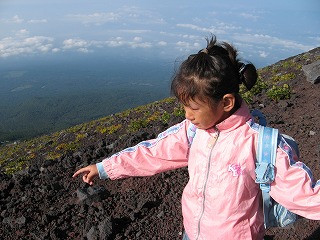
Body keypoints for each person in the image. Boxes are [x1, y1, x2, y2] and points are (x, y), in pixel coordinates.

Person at [73, 35, 320, 240]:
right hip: (192, 233)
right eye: (184, 107)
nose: (187, 115)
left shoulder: (261, 145)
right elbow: (152, 152)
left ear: (226, 102)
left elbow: (306, 195)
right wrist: (104, 167)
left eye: (193, 108)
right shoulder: (193, 132)